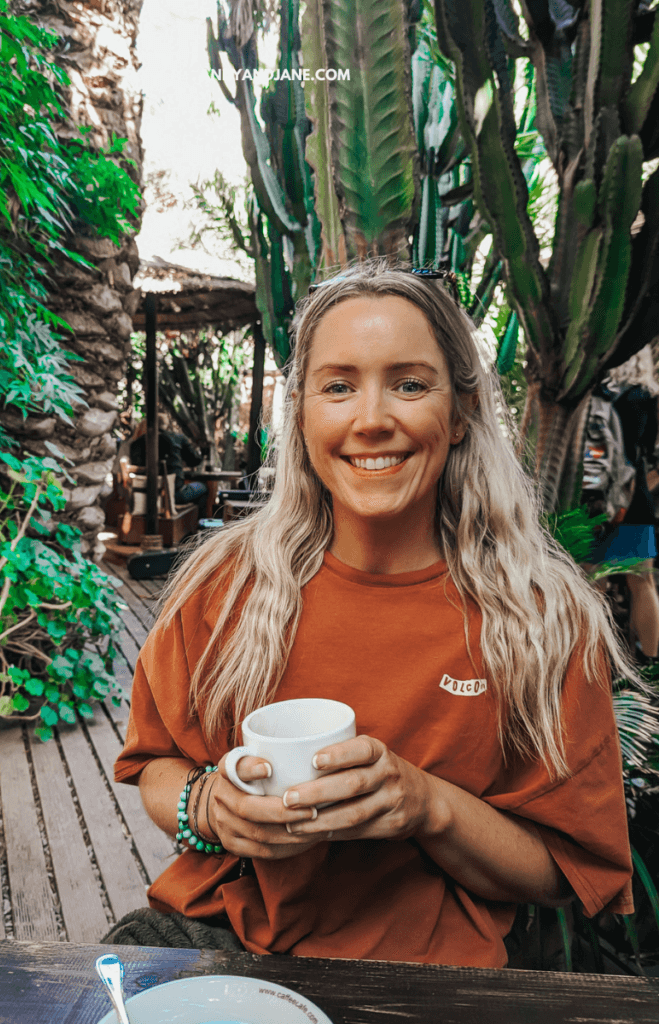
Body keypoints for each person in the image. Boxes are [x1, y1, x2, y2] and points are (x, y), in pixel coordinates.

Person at [110, 260, 636, 968]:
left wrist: (425, 805)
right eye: (338, 387)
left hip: (434, 976)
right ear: (301, 414)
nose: (372, 420)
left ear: (462, 415)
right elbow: (156, 764)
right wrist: (209, 808)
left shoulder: (542, 618)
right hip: (219, 942)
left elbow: (562, 870)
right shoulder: (225, 585)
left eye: (411, 384)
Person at [584, 346, 659, 661]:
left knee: (592, 581)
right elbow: (648, 448)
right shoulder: (646, 397)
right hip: (635, 495)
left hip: (596, 496)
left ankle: (595, 662)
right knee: (642, 581)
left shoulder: (595, 393)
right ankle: (651, 666)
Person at [130, 414, 208, 518]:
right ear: (166, 424)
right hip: (173, 496)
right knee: (202, 487)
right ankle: (198, 525)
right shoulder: (177, 438)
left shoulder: (136, 443)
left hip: (142, 496)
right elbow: (194, 461)